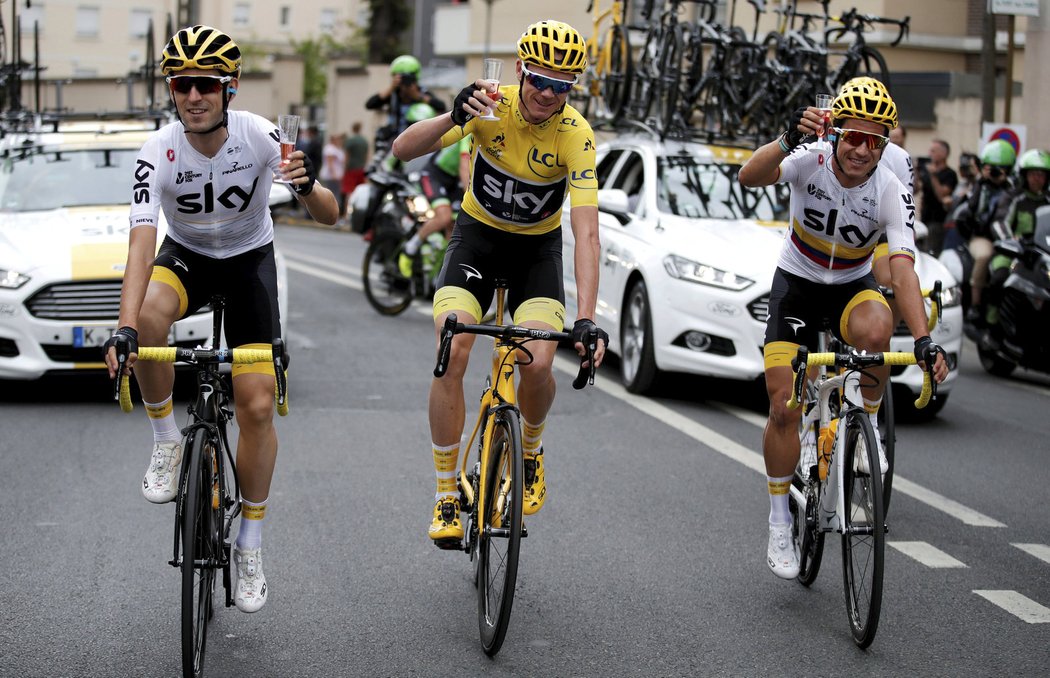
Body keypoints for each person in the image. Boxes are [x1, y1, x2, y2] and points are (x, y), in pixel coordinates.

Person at [103, 25, 339, 613]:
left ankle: (251, 540)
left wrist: (308, 187)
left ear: (229, 87)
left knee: (257, 403)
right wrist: (125, 328)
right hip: (186, 257)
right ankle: (166, 441)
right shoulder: (156, 150)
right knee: (150, 319)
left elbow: (332, 214)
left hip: (247, 262)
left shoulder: (260, 136)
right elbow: (140, 243)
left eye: (205, 84)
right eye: (182, 85)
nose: (193, 96)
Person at [390, 19, 610, 546]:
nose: (548, 94)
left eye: (562, 86)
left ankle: (530, 450)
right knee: (454, 343)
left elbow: (586, 232)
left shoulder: (576, 134)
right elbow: (402, 150)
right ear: (520, 72)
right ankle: (446, 491)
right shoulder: (488, 107)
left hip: (536, 251)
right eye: (539, 79)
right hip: (478, 241)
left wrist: (587, 316)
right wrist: (454, 111)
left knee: (537, 358)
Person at [738, 77, 949, 579]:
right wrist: (787, 138)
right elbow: (750, 176)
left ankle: (868, 418)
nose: (861, 149)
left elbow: (902, 269)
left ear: (885, 145)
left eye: (874, 141)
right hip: (798, 282)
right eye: (852, 137)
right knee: (783, 403)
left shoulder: (891, 188)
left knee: (879, 329)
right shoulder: (809, 157)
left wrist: (923, 340)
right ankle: (777, 521)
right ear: (834, 134)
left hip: (851, 283)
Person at [981, 148, 1050, 339]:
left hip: (1041, 256)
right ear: (1024, 175)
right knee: (1000, 277)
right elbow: (1000, 222)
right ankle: (991, 326)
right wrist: (1010, 240)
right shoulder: (1014, 197)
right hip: (1014, 253)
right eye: (1034, 174)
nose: (1038, 179)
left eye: (1042, 175)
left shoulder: (1048, 201)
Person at [958, 138, 1016, 330]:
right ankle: (975, 305)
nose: (995, 172)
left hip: (1010, 238)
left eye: (1000, 168)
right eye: (991, 167)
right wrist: (982, 181)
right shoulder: (980, 186)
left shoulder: (1014, 188)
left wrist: (1003, 182)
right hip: (983, 237)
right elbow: (970, 209)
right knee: (984, 255)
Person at [397, 134, 471, 277]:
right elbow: (464, 167)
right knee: (444, 217)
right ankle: (411, 247)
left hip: (453, 180)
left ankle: (441, 267)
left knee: (454, 226)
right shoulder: (471, 130)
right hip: (434, 175)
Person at [366, 55, 448, 147]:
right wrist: (391, 88)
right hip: (393, 138)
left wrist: (417, 96)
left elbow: (441, 106)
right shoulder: (393, 95)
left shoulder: (423, 93)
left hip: (416, 137)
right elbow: (370, 104)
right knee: (381, 134)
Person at [916, 139, 959, 256]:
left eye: (933, 151)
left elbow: (942, 196)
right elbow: (916, 189)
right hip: (925, 218)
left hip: (938, 221)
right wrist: (915, 171)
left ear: (943, 154)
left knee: (931, 253)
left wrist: (934, 176)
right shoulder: (927, 172)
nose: (930, 154)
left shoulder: (950, 174)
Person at [341, 122, 370, 218]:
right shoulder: (364, 141)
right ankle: (358, 215)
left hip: (351, 169)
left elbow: (346, 156)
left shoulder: (351, 141)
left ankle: (346, 215)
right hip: (361, 169)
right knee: (361, 192)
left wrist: (344, 168)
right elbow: (367, 156)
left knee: (349, 192)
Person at [321, 131, 347, 208]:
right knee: (331, 194)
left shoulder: (338, 149)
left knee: (336, 194)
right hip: (331, 176)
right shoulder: (330, 149)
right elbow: (330, 163)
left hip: (337, 176)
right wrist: (334, 174)